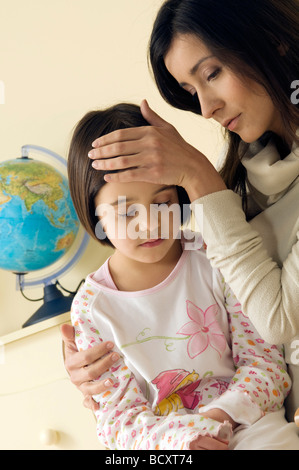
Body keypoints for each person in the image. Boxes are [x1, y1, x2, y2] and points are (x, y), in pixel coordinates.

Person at [63, 0, 299, 421]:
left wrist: (196, 174)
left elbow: (278, 322)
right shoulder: (244, 182)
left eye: (212, 73)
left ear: (273, 41)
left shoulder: (211, 205)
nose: (206, 109)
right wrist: (98, 366)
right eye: (192, 92)